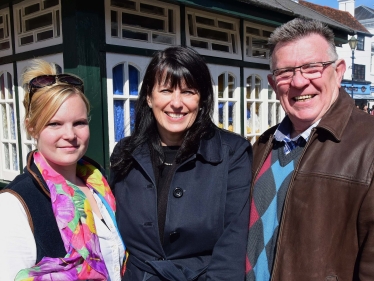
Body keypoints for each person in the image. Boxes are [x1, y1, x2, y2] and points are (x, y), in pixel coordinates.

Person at [246, 18, 374, 280]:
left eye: (312, 67)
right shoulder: (263, 145)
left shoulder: (369, 145)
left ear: (338, 72)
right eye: (285, 72)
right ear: (272, 83)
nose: (298, 82)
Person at [110, 46, 252, 280]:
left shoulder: (232, 154)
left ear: (202, 98)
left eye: (188, 92)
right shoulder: (125, 153)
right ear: (149, 96)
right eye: (166, 90)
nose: (176, 103)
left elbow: (233, 244)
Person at [0, 59, 125, 281]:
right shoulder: (16, 204)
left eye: (79, 123)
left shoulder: (100, 184)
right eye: (54, 124)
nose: (69, 134)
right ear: (32, 128)